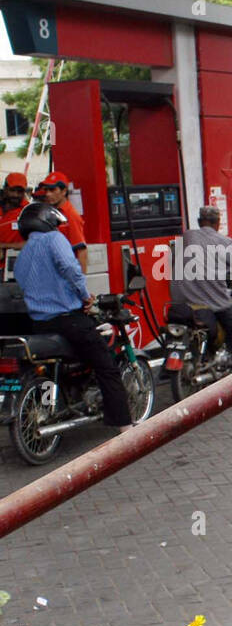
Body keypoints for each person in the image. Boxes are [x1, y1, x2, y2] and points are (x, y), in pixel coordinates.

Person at [12, 202, 132, 433]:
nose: (58, 228)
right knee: (106, 365)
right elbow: (70, 268)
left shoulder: (24, 253)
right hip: (69, 319)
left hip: (40, 324)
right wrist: (86, 296)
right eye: (56, 224)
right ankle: (125, 426)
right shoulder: (54, 240)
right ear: (48, 222)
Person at [172, 205, 232, 370]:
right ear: (218, 223)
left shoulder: (185, 237)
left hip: (180, 303)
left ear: (199, 222)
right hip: (212, 304)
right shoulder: (224, 242)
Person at [33, 172, 89, 273]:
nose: (48, 194)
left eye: (52, 189)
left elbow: (81, 250)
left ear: (64, 191)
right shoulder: (50, 212)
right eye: (46, 190)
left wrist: (80, 283)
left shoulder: (70, 215)